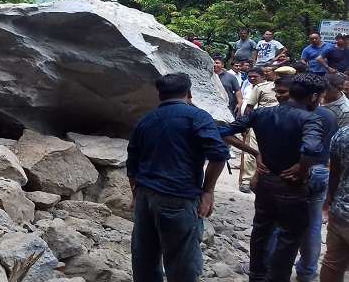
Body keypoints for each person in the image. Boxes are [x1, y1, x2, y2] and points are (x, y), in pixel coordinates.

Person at [218, 73, 325, 282]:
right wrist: (302, 168)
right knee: (288, 239)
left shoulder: (261, 114)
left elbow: (226, 132)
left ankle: (256, 277)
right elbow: (312, 148)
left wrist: (255, 152)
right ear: (313, 97)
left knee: (260, 231)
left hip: (266, 182)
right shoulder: (311, 119)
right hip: (292, 187)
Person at [127, 73, 230, 282]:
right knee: (182, 260)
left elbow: (132, 161)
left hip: (145, 195)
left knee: (144, 256)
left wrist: (135, 193)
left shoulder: (146, 119)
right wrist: (208, 190)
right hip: (179, 197)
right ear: (189, 93)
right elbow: (219, 155)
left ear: (159, 94)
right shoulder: (198, 117)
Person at [265, 75, 337, 282]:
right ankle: (306, 271)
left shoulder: (293, 114)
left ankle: (270, 265)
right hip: (321, 171)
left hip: (296, 171)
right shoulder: (329, 115)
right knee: (313, 224)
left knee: (279, 222)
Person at [238, 67, 279, 193]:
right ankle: (246, 181)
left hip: (279, 126)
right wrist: (244, 124)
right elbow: (249, 107)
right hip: (260, 124)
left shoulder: (293, 90)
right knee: (252, 151)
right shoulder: (261, 88)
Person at [320, 123, 349, 281]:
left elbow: (334, 175)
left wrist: (330, 201)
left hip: (341, 211)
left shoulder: (343, 134)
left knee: (332, 263)